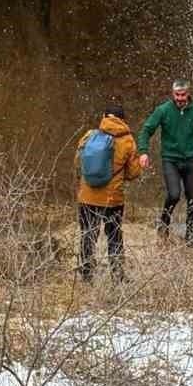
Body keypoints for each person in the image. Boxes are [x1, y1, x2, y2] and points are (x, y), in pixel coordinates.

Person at [137, 79, 193, 245]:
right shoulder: (163, 110)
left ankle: (190, 232)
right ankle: (164, 222)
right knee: (174, 194)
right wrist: (143, 152)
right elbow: (147, 129)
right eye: (177, 95)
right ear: (172, 94)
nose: (180, 98)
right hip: (170, 160)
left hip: (191, 160)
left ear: (188, 93)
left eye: (183, 94)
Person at [75, 104, 141, 283]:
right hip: (113, 199)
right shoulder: (128, 141)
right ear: (123, 119)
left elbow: (78, 162)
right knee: (114, 236)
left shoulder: (89, 135)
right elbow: (133, 173)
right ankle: (117, 276)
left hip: (87, 196)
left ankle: (87, 275)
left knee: (88, 233)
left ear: (104, 116)